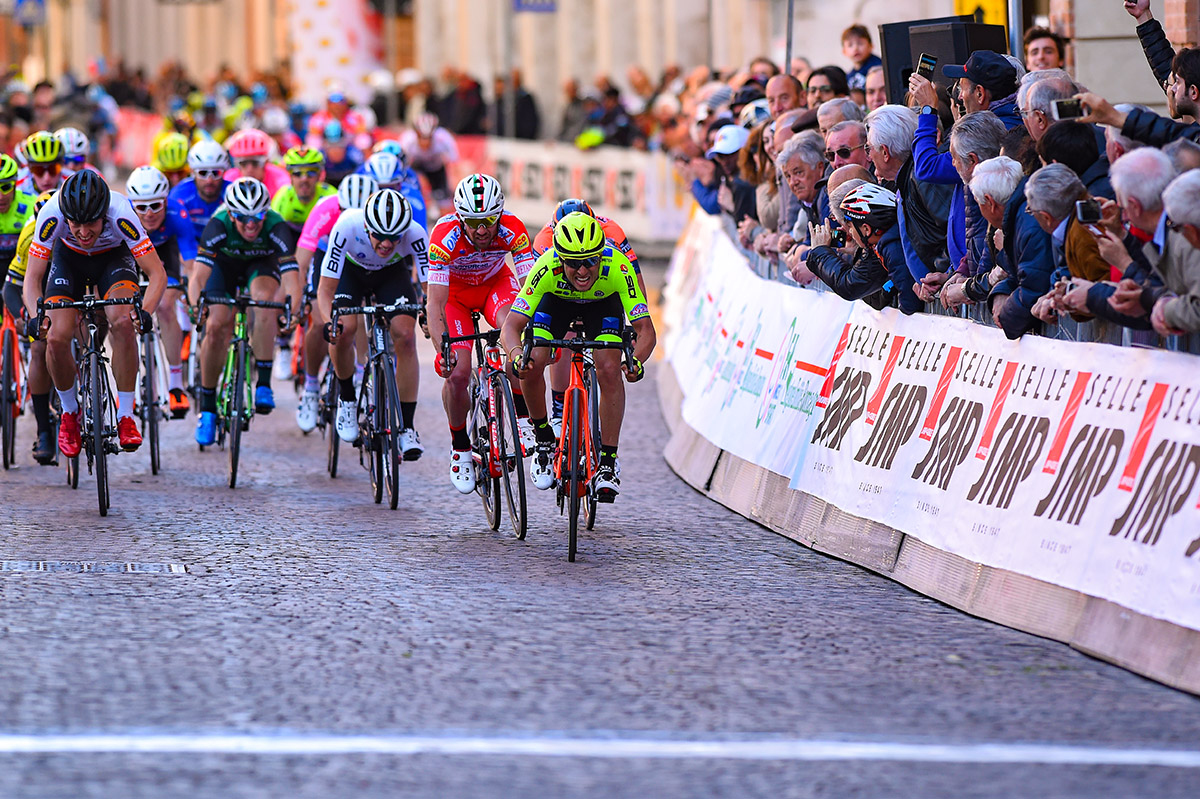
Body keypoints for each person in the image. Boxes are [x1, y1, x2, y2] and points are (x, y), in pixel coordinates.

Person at [501, 212, 656, 501]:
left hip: (602, 305)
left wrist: (636, 360)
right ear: (559, 258)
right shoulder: (545, 267)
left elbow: (646, 329)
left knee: (609, 368)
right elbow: (511, 326)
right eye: (572, 263)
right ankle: (544, 437)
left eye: (590, 261)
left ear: (602, 256)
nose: (582, 270)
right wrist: (515, 355)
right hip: (556, 303)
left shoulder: (618, 267)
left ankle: (608, 463)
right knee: (531, 359)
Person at [23, 170, 167, 457]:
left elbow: (156, 273)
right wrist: (36, 316)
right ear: (66, 216)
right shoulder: (51, 214)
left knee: (123, 322)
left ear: (105, 215)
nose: (84, 232)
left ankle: (126, 416)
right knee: (55, 336)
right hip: (68, 262)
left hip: (112, 260)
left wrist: (146, 312)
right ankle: (69, 414)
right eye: (75, 224)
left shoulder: (122, 212)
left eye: (91, 224)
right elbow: (32, 278)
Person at [426, 174, 535, 493]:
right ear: (460, 218)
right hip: (455, 296)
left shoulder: (513, 229)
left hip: (494, 285)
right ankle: (460, 446)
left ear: (499, 215)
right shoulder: (444, 235)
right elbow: (435, 304)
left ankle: (523, 416)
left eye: (489, 219)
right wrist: (441, 350)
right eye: (473, 222)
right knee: (458, 374)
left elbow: (532, 291)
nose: (483, 229)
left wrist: (538, 333)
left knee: (515, 338)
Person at [189, 178, 302, 445]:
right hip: (223, 266)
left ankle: (263, 383)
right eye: (242, 217)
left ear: (267, 212)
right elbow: (198, 278)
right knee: (217, 325)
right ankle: (207, 410)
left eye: (258, 216)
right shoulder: (218, 225)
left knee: (265, 303)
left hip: (260, 264)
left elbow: (292, 278)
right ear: (230, 214)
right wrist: (197, 308)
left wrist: (293, 311)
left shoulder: (276, 226)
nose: (251, 224)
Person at [317, 189, 428, 458]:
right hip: (351, 274)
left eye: (395, 237)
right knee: (345, 330)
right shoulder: (346, 226)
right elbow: (325, 291)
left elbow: (429, 290)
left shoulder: (416, 233)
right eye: (380, 236)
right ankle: (346, 398)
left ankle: (407, 429)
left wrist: (428, 316)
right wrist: (329, 322)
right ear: (367, 226)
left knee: (405, 336)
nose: (387, 244)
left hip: (391, 275)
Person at [531, 198, 642, 433]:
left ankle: (606, 441)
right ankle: (559, 410)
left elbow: (634, 279)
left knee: (608, 365)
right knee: (561, 338)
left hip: (603, 293)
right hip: (561, 293)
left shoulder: (612, 231)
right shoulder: (543, 240)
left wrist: (634, 322)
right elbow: (536, 290)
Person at [293, 173, 380, 433]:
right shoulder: (325, 209)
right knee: (322, 319)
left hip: (365, 261)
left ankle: (360, 372)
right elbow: (302, 260)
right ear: (338, 205)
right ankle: (310, 387)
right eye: (344, 211)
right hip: (328, 258)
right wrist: (298, 300)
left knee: (370, 311)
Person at [126, 165, 198, 418]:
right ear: (131, 204)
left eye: (156, 205)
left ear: (166, 201)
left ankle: (176, 384)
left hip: (165, 257)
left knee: (167, 305)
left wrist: (191, 291)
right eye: (142, 207)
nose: (149, 213)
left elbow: (190, 262)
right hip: (131, 257)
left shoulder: (178, 212)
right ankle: (128, 388)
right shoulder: (123, 215)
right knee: (123, 313)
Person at [968, 156, 1054, 338]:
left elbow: (1033, 288)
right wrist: (1002, 291)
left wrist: (1006, 315)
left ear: (990, 203)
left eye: (979, 204)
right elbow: (1019, 274)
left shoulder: (1028, 225)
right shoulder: (1018, 220)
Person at [3, 188, 56, 462]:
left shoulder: (81, 233)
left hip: (74, 282)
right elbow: (11, 288)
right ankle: (44, 431)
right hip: (39, 288)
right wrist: (26, 315)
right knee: (38, 349)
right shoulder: (28, 238)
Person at [170, 140, 232, 240]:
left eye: (216, 173)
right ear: (192, 172)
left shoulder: (232, 193)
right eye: (203, 173)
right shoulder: (179, 195)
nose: (209, 180)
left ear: (224, 172)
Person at [399, 112, 458, 212]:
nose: (425, 142)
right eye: (421, 137)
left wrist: (451, 185)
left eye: (428, 138)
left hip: (437, 169)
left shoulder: (443, 138)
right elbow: (402, 166)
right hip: (417, 167)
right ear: (416, 133)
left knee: (443, 198)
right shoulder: (408, 140)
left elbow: (454, 163)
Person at [224, 128, 289, 197]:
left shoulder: (279, 179)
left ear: (266, 162)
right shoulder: (229, 179)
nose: (249, 169)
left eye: (255, 163)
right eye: (243, 163)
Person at [842, 25, 884, 99]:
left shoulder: (878, 66)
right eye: (850, 45)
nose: (855, 48)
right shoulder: (850, 75)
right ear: (844, 51)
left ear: (871, 46)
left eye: (860, 43)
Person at [18, 131, 64, 195]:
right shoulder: (17, 186)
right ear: (28, 167)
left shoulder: (73, 182)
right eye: (38, 170)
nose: (47, 178)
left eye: (53, 169)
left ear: (62, 165)